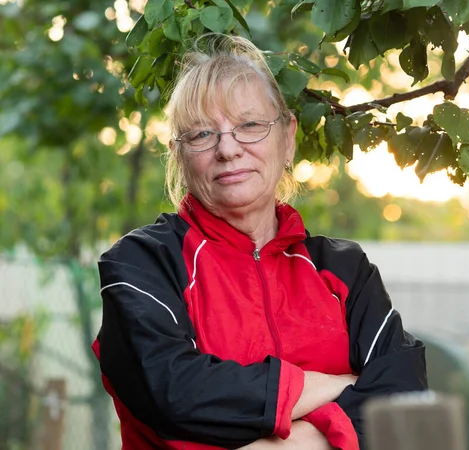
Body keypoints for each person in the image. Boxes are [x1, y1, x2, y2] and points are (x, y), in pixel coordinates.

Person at [92, 34, 427, 450]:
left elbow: (405, 396)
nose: (228, 149)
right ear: (178, 155)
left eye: (249, 125)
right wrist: (332, 387)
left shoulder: (344, 269)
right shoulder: (142, 263)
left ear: (287, 138)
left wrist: (294, 442)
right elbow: (174, 391)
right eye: (200, 134)